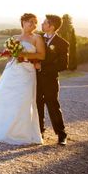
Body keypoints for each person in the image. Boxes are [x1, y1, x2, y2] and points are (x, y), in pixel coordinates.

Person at [0, 13, 45, 145]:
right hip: (12, 71)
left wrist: (23, 54)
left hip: (27, 72)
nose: (33, 25)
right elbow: (10, 55)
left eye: (35, 22)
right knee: (4, 97)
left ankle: (19, 132)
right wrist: (9, 53)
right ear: (23, 22)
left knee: (23, 100)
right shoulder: (14, 38)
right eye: (30, 22)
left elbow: (41, 55)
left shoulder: (37, 38)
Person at [35, 15, 69, 145]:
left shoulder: (62, 43)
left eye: (44, 23)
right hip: (36, 79)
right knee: (38, 105)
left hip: (50, 80)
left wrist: (42, 66)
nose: (42, 25)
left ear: (52, 26)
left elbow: (63, 65)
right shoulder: (38, 38)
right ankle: (39, 132)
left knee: (53, 106)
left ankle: (61, 134)